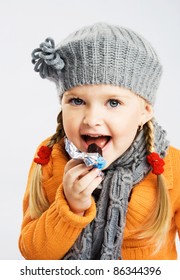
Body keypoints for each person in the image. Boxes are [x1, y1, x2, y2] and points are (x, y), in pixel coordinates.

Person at [18, 22, 180, 260]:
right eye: (76, 101)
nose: (92, 119)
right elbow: (33, 255)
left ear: (145, 111)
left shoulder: (172, 166)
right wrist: (70, 208)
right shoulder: (49, 156)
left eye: (113, 103)